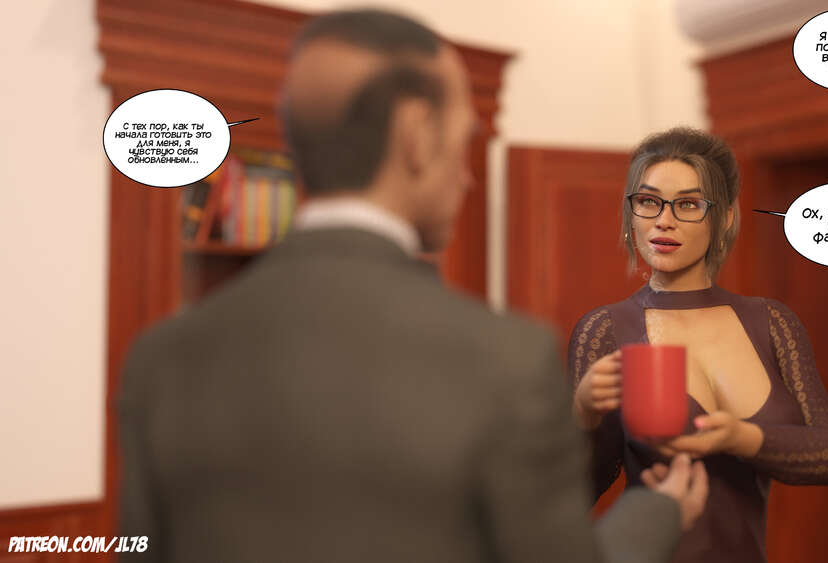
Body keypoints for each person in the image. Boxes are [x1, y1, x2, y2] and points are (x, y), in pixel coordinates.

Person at [116, 9, 709, 563]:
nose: (467, 174)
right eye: (462, 139)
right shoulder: (505, 359)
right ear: (418, 136)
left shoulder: (161, 358)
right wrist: (655, 513)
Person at [570, 127, 828, 562]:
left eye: (688, 204)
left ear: (725, 217)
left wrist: (741, 438)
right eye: (648, 201)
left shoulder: (772, 323)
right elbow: (574, 496)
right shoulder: (605, 330)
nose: (664, 220)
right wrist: (582, 413)